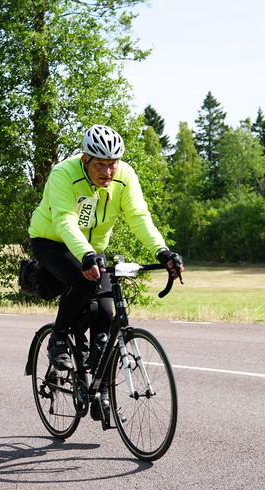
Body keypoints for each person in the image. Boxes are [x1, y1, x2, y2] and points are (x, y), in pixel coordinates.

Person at [27, 124, 184, 420]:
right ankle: (59, 336)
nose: (108, 171)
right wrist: (85, 256)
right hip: (53, 240)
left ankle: (99, 390)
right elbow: (65, 220)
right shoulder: (64, 174)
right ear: (85, 159)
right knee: (81, 280)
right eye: (101, 164)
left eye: (113, 163)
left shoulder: (124, 176)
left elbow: (138, 216)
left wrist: (162, 252)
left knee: (105, 313)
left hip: (92, 246)